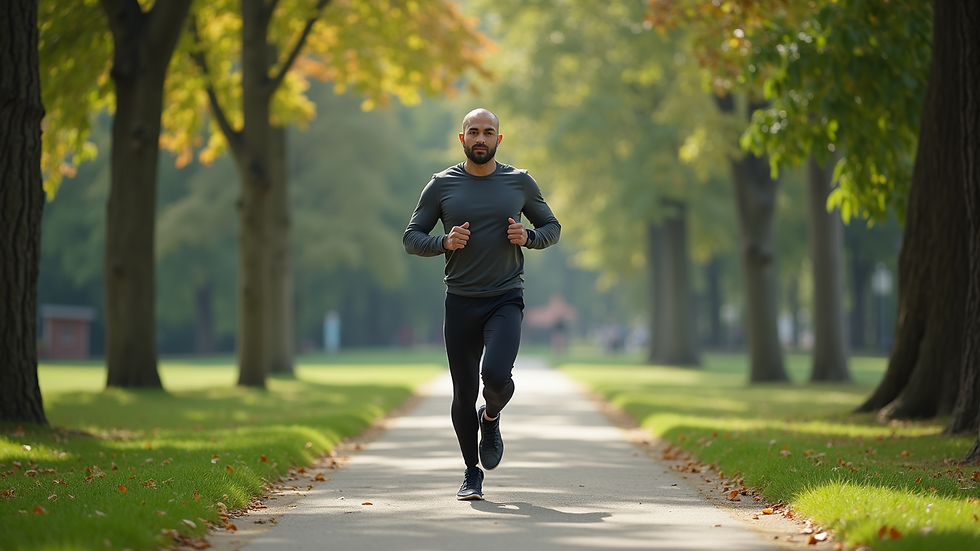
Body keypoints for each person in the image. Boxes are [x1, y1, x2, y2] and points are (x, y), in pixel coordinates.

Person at [403, 108, 561, 500]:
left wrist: (529, 236)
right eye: (473, 131)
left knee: (495, 375)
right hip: (459, 301)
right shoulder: (441, 185)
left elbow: (552, 228)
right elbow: (411, 237)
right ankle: (471, 472)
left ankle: (490, 418)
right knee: (463, 391)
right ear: (462, 139)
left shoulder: (519, 182)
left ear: (498, 139)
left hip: (506, 296)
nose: (480, 138)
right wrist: (443, 242)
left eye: (488, 132)